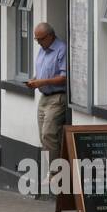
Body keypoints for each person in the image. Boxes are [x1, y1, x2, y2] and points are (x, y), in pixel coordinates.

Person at [27, 23, 69, 174]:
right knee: (43, 137)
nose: (38, 42)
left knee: (48, 134)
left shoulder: (61, 49)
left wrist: (42, 82)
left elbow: (64, 77)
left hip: (57, 97)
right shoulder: (42, 50)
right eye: (36, 39)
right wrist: (34, 80)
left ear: (50, 36)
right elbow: (42, 72)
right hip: (43, 98)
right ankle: (50, 170)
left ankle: (56, 173)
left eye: (41, 39)